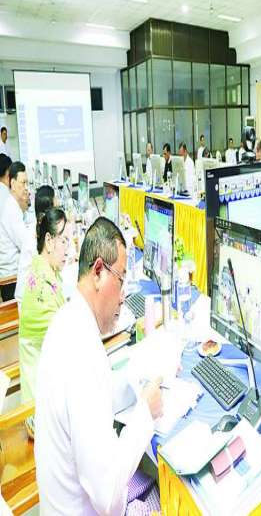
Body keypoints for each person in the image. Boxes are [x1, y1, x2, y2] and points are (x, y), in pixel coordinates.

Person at [35, 217, 163, 515]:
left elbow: (98, 395)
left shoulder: (67, 321)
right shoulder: (81, 353)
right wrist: (146, 412)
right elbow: (108, 496)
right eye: (121, 280)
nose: (123, 296)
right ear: (98, 272)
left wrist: (137, 380)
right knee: (167, 497)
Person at [19, 207, 70, 410]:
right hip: (39, 408)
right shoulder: (41, 288)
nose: (68, 249)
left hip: (45, 388)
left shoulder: (44, 270)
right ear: (49, 241)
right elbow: (65, 340)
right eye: (64, 241)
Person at [0, 162, 32, 301]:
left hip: (14, 274)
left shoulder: (12, 204)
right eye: (23, 183)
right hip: (12, 281)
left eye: (27, 183)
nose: (26, 188)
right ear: (13, 184)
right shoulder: (11, 210)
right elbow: (26, 245)